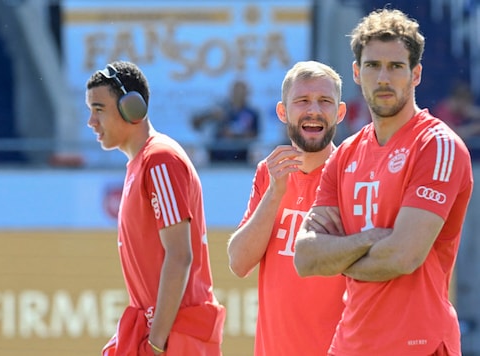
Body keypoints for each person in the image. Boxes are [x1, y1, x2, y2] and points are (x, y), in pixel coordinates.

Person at [294, 8, 473, 356]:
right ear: (357, 73)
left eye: (396, 66)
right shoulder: (344, 154)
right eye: (373, 66)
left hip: (418, 343)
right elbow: (305, 257)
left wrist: (338, 257)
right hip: (350, 344)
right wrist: (369, 239)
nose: (384, 78)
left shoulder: (437, 146)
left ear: (416, 74)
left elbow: (402, 257)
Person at [86, 60, 225, 355]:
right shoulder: (145, 162)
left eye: (98, 109)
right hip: (161, 330)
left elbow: (179, 255)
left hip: (174, 335)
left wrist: (156, 344)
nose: (91, 121)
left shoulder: (159, 159)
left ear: (131, 107)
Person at [227, 61, 347, 356]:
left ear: (340, 113)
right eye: (303, 101)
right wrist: (275, 192)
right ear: (282, 112)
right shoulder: (269, 174)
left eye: (325, 101)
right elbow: (238, 262)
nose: (314, 110)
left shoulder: (355, 175)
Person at [191, 80, 260, 163]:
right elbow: (196, 123)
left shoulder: (251, 113)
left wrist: (234, 134)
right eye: (236, 91)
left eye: (241, 92)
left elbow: (255, 134)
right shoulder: (220, 108)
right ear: (231, 92)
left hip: (240, 158)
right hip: (216, 157)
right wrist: (210, 116)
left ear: (247, 93)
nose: (238, 94)